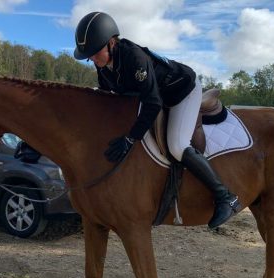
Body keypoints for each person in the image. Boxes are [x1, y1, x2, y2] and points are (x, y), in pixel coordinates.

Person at [74, 11, 241, 229]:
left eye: (96, 53)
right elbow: (109, 97)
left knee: (177, 145)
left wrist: (130, 138)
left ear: (112, 43)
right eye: (90, 56)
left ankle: (225, 197)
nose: (94, 60)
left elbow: (152, 103)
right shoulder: (103, 64)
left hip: (182, 92)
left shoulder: (135, 58)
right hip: (158, 94)